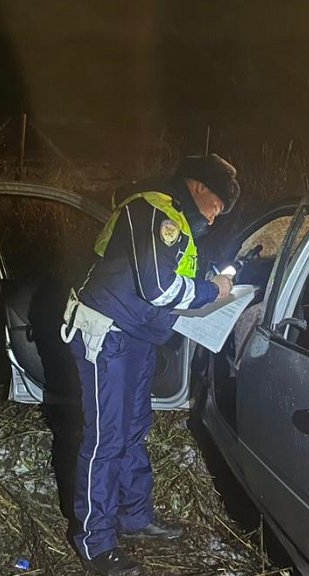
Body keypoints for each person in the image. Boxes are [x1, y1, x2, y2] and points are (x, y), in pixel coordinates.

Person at [60, 154, 240, 575]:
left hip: (135, 339)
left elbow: (167, 274)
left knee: (133, 430)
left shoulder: (174, 219)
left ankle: (135, 517)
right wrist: (210, 290)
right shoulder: (156, 210)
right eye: (217, 207)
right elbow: (159, 288)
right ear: (200, 188)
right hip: (106, 334)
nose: (214, 220)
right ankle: (95, 544)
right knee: (105, 440)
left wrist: (206, 283)